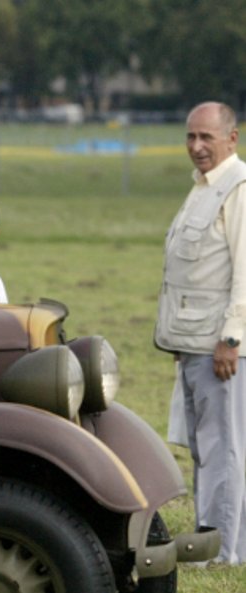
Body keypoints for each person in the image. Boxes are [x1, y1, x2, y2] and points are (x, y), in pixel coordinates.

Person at [154, 101, 246, 565]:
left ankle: (220, 551)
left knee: (222, 449)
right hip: (195, 344)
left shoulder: (239, 189)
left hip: (222, 348)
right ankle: (224, 542)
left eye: (207, 137)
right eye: (191, 136)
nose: (196, 146)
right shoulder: (202, 189)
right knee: (207, 448)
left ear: (232, 138)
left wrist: (232, 338)